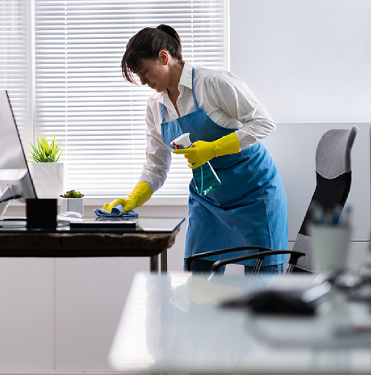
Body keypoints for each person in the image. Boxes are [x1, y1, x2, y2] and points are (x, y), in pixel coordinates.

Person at [102, 24, 288, 274]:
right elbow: (156, 165)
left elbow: (264, 122)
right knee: (198, 284)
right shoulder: (155, 106)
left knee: (262, 290)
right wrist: (134, 198)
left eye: (145, 72)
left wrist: (212, 149)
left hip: (255, 192)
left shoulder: (212, 82)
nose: (144, 82)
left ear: (164, 57)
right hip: (209, 198)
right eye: (140, 76)